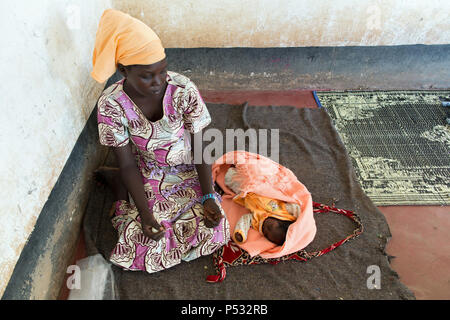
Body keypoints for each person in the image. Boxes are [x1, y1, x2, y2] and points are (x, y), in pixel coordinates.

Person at [91, 9, 230, 273]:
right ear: (123, 70)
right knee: (144, 239)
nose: (158, 82)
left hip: (186, 166)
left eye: (162, 71)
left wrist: (209, 196)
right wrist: (145, 214)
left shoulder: (183, 90)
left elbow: (200, 148)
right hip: (147, 171)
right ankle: (120, 189)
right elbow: (128, 163)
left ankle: (123, 192)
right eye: (147, 75)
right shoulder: (111, 104)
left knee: (216, 228)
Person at [224, 166, 300, 246]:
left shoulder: (257, 222)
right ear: (281, 221)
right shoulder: (283, 210)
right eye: (270, 227)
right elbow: (297, 208)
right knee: (252, 168)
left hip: (244, 193)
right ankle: (242, 165)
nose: (265, 229)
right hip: (261, 184)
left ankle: (233, 169)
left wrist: (241, 232)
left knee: (229, 178)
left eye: (266, 235)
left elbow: (246, 219)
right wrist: (301, 216)